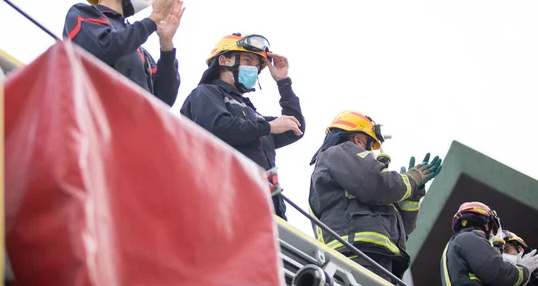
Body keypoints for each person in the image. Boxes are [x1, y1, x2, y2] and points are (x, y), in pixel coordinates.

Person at [180, 33, 305, 219]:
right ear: (224, 60)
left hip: (269, 212)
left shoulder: (253, 114)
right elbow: (219, 127)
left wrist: (283, 82)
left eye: (256, 66)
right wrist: (268, 127)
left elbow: (296, 127)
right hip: (224, 206)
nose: (253, 69)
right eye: (248, 60)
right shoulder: (205, 93)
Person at [308, 110, 442, 283]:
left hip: (378, 257)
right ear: (358, 139)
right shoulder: (338, 153)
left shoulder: (349, 172)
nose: (371, 154)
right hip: (355, 254)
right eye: (370, 146)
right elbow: (377, 185)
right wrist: (411, 179)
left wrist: (412, 193)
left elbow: (405, 228)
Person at [63, 0, 184, 107]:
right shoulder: (82, 14)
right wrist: (153, 20)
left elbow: (164, 99)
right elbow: (104, 48)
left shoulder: (139, 50)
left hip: (133, 128)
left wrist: (166, 44)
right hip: (96, 122)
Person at [440, 201, 538, 286]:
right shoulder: (470, 239)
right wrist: (524, 270)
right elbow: (499, 275)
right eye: (492, 229)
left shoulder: (457, 244)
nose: (492, 235)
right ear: (487, 224)